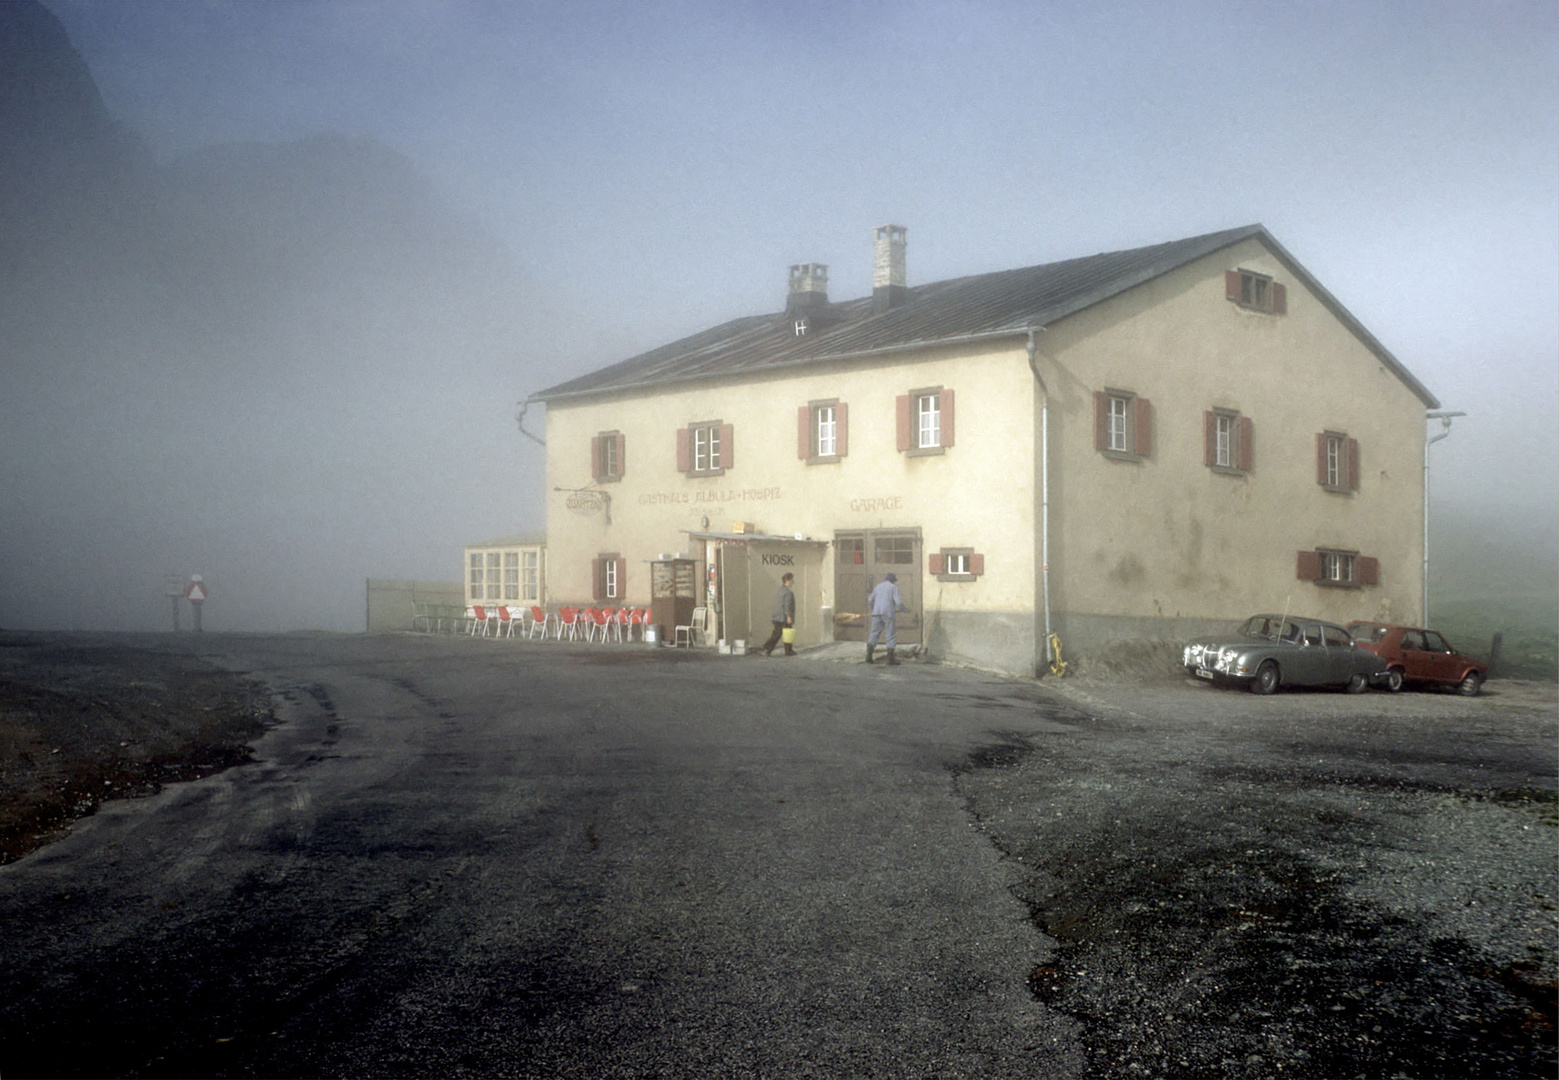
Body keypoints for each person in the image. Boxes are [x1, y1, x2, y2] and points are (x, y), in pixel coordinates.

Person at [865, 573, 908, 666]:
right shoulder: (893, 587)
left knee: (874, 633)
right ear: (893, 580)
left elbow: (870, 600)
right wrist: (905, 610)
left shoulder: (877, 587)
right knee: (890, 634)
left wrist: (874, 608)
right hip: (888, 613)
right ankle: (890, 659)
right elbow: (898, 602)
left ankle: (868, 657)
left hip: (877, 613)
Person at [761, 572, 796, 656]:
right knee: (778, 634)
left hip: (777, 616)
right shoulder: (788, 592)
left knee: (786, 632)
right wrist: (789, 616)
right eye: (791, 580)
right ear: (787, 581)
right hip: (782, 617)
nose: (793, 582)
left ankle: (788, 650)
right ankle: (767, 647)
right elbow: (787, 606)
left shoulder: (780, 590)